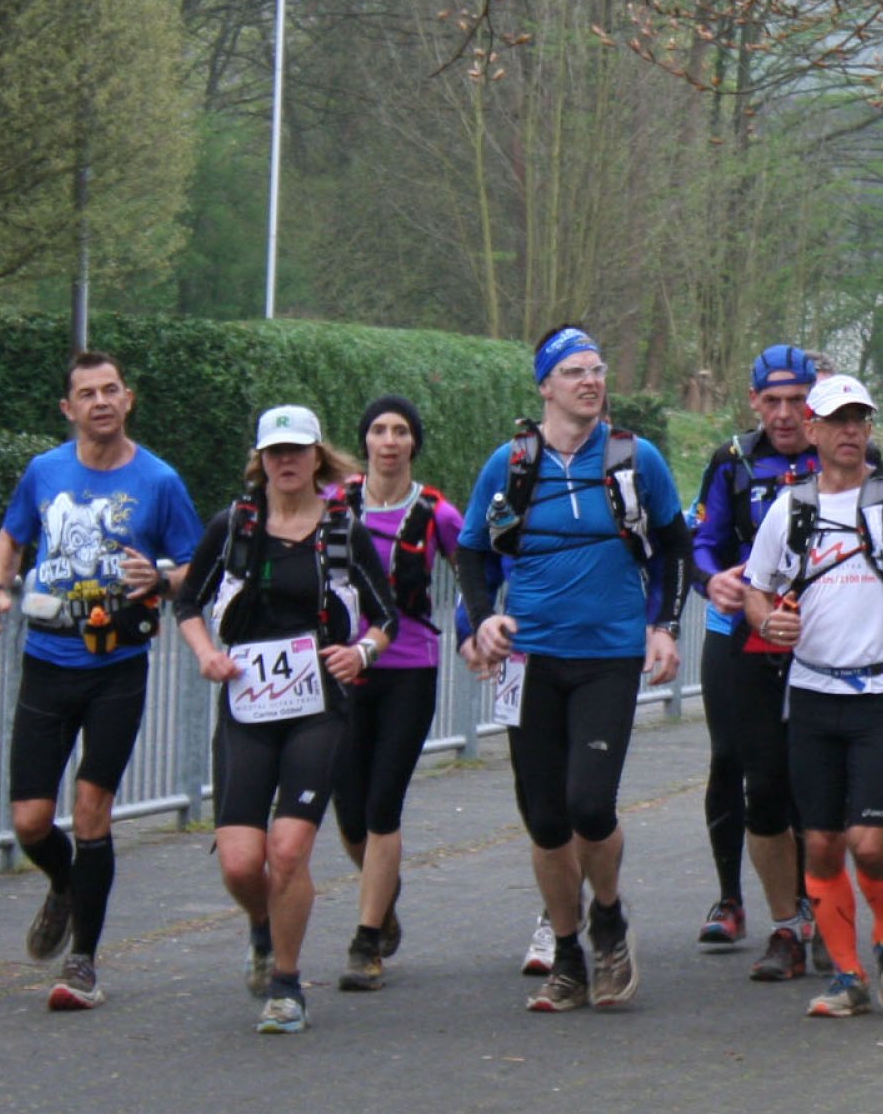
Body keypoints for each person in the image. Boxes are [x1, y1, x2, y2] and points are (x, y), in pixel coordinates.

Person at [452, 325, 685, 1016]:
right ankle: (567, 954)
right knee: (546, 819)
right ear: (545, 387)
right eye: (576, 371)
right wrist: (479, 621)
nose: (591, 381)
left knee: (589, 804)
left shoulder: (634, 459)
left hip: (608, 655)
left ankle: (606, 917)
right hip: (530, 659)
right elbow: (472, 552)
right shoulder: (510, 465)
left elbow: (674, 546)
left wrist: (664, 626)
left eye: (598, 369)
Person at [0, 350, 203, 1013]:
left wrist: (163, 579)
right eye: (87, 394)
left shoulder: (159, 481)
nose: (100, 402)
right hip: (48, 661)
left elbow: (198, 563)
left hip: (116, 667)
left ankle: (83, 965)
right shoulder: (44, 471)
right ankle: (65, 884)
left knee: (92, 810)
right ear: (68, 408)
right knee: (30, 820)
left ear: (128, 399)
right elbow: (10, 539)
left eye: (110, 390)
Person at [741, 373, 883, 1019]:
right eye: (838, 421)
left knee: (867, 840)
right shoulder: (791, 508)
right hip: (812, 690)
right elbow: (757, 585)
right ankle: (847, 974)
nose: (850, 431)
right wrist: (767, 621)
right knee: (819, 843)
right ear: (811, 430)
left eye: (859, 419)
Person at [174, 408, 400, 1033]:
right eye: (275, 452)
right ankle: (262, 925)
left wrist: (361, 653)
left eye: (297, 450)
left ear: (317, 456)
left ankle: (287, 985)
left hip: (316, 708)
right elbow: (188, 601)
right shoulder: (233, 526)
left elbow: (387, 616)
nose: (286, 461)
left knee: (289, 850)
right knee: (240, 863)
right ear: (261, 460)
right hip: (247, 706)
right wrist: (207, 654)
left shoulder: (342, 530)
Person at [692, 344, 827, 981]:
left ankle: (806, 905)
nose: (784, 414)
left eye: (796, 400)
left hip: (814, 635)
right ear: (753, 401)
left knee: (801, 770)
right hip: (737, 633)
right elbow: (702, 542)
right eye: (771, 401)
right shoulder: (733, 460)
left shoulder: (841, 454)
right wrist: (711, 580)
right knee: (733, 759)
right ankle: (731, 898)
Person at [328, 395, 463, 993]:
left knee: (384, 804)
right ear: (365, 442)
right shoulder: (333, 505)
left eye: (400, 431)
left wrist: (479, 626)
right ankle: (383, 893)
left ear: (413, 444)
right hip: (342, 669)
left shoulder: (437, 513)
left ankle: (365, 942)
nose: (389, 441)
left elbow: (477, 570)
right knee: (349, 812)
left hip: (409, 668)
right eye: (379, 430)